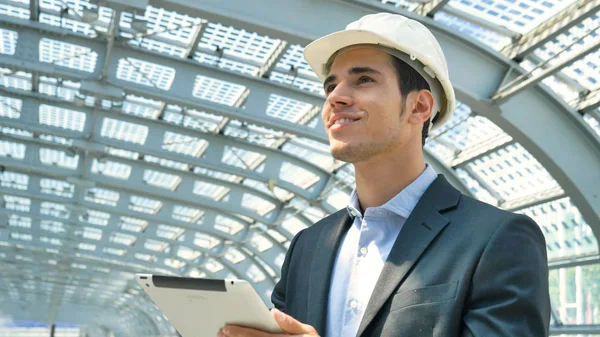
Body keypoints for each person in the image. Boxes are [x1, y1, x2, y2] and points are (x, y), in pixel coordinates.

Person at [218, 12, 550, 337]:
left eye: (363, 80)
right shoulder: (308, 246)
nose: (335, 96)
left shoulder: (497, 239)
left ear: (420, 107)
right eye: (330, 85)